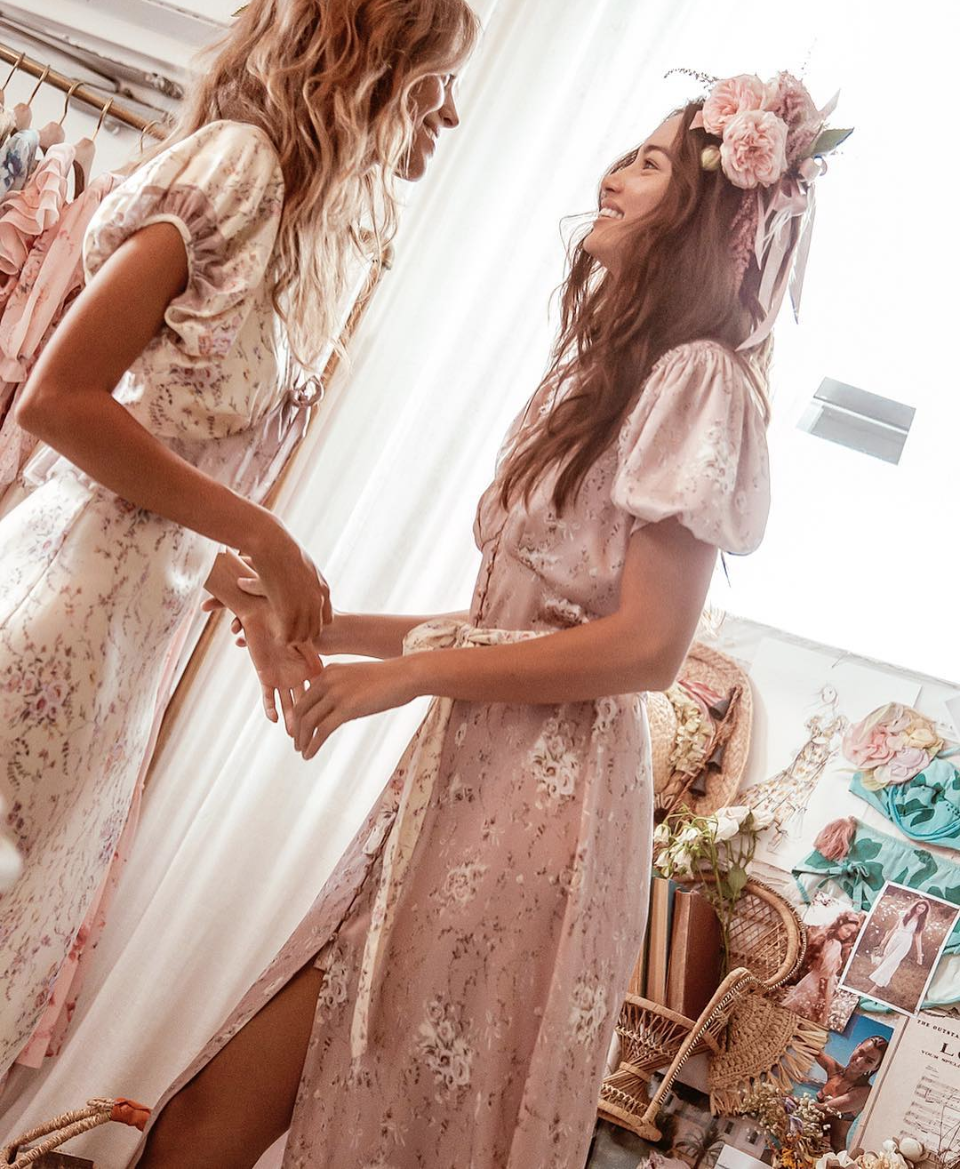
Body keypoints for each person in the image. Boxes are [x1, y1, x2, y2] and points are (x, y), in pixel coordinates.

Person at [134, 70, 837, 1169]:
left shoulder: (702, 380)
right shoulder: (603, 377)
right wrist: (320, 619)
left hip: (545, 807)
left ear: (705, 215)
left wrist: (408, 677)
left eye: (649, 162)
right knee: (214, 1115)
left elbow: (647, 649)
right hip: (467, 771)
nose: (613, 175)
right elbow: (504, 619)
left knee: (308, 1119)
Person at [0, 0, 478, 1078]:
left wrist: (248, 597)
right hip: (50, 626)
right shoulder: (238, 163)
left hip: (116, 643)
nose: (450, 115)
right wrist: (265, 538)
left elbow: (148, 487)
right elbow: (59, 404)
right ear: (368, 68)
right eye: (436, 82)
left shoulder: (291, 224)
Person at [782, 911, 862, 1024]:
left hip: (809, 981)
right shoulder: (835, 945)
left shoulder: (826, 939)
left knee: (792, 1016)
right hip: (820, 985)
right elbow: (825, 976)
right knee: (811, 1018)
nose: (848, 934)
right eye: (847, 929)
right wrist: (823, 999)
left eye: (851, 932)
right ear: (839, 925)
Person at [815, 1035, 889, 1152]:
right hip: (809, 1137)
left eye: (869, 1061)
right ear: (856, 1047)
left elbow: (823, 1109)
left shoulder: (864, 1093)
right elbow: (811, 1049)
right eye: (861, 1052)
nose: (859, 1061)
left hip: (831, 1153)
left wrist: (789, 1101)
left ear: (876, 1067)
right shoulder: (834, 1071)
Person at [868, 898, 929, 990]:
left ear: (925, 911)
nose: (919, 910)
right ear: (915, 906)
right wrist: (885, 940)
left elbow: (918, 938)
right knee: (885, 958)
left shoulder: (921, 922)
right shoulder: (905, 914)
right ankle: (879, 980)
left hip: (905, 942)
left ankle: (877, 986)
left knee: (892, 962)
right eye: (919, 907)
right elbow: (894, 928)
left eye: (922, 909)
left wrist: (919, 955)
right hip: (895, 938)